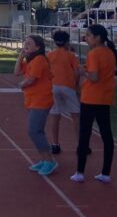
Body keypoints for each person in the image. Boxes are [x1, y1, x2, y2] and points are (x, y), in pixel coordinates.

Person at [71, 24, 117, 184]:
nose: (86, 37)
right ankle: (106, 172)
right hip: (105, 97)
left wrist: (82, 71)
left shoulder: (94, 53)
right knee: (106, 134)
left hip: (91, 98)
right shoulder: (110, 52)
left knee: (84, 134)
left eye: (88, 35)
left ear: (97, 38)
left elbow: (94, 77)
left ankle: (80, 171)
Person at [15, 35, 57, 175]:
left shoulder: (39, 60)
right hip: (33, 100)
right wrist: (21, 56)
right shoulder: (31, 60)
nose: (25, 45)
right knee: (37, 131)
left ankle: (49, 160)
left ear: (38, 47)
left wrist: (21, 85)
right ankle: (45, 159)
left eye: (29, 43)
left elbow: (31, 80)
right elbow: (16, 72)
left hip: (41, 100)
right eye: (25, 43)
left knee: (34, 131)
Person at [48, 30, 81, 155]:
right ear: (67, 42)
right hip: (68, 86)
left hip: (54, 86)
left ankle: (55, 144)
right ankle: (80, 145)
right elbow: (77, 72)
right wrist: (76, 85)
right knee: (76, 116)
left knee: (55, 115)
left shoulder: (50, 55)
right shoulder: (71, 56)